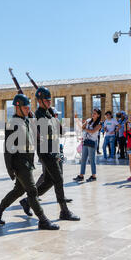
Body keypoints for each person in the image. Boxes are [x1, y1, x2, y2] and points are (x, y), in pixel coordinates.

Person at [0, 94, 59, 230]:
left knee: (18, 190)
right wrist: (10, 169)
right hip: (19, 163)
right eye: (25, 107)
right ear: (17, 107)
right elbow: (7, 149)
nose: (28, 109)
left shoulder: (26, 121)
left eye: (29, 107)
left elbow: (35, 138)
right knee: (32, 191)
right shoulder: (12, 123)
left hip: (28, 161)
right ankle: (43, 220)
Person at [26, 87, 79, 221]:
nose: (49, 103)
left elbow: (59, 132)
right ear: (39, 101)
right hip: (46, 152)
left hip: (54, 150)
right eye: (46, 100)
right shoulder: (37, 115)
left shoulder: (49, 114)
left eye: (50, 100)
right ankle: (64, 211)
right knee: (58, 179)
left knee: (49, 181)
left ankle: (27, 202)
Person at [73, 109, 102, 182]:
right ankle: (81, 175)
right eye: (93, 113)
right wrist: (78, 121)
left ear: (98, 115)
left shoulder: (99, 124)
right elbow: (82, 127)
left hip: (92, 142)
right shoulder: (89, 120)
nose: (93, 114)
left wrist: (85, 128)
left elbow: (92, 131)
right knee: (83, 159)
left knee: (92, 160)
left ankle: (94, 176)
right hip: (85, 141)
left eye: (95, 113)